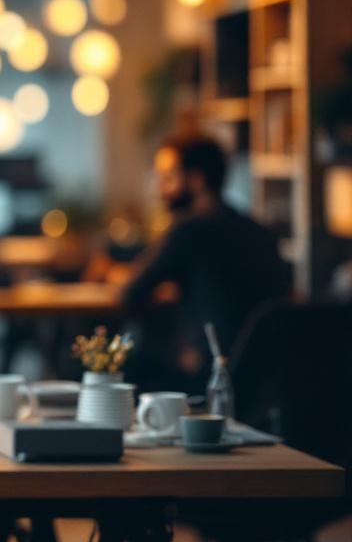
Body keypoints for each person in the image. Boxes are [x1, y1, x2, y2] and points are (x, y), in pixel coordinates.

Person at [120, 134, 289, 390]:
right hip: (263, 378)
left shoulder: (187, 230)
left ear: (196, 180)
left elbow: (130, 292)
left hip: (206, 375)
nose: (160, 189)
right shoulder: (258, 232)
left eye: (168, 178)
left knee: (113, 372)